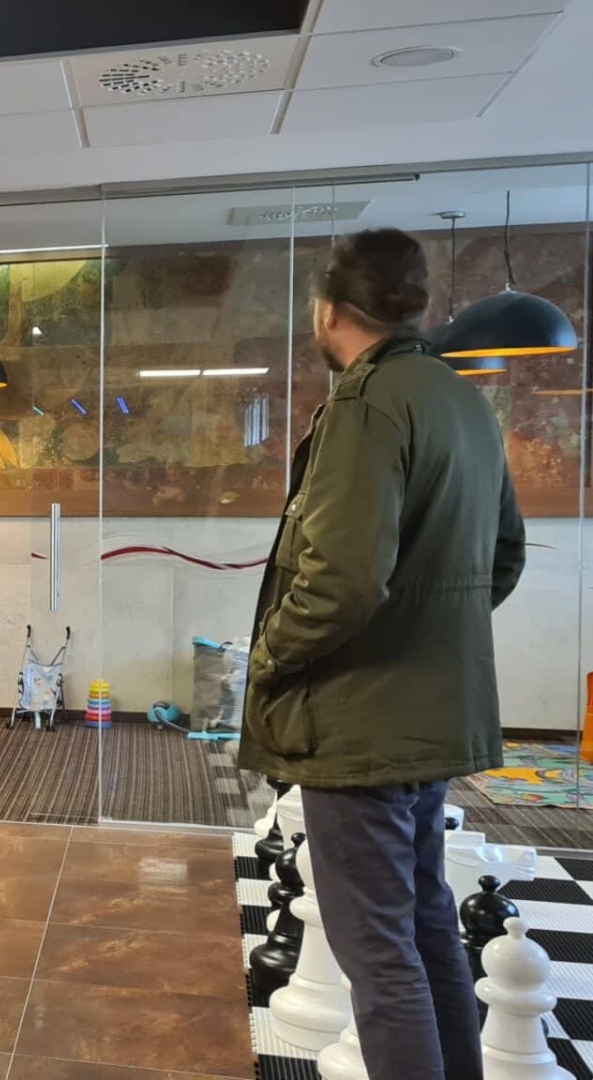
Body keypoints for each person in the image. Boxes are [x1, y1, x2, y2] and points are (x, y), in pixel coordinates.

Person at [241, 227, 526, 1080]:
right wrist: (427, 635)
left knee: (378, 954)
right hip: (430, 714)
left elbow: (342, 581)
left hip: (361, 720)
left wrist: (268, 656)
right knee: (427, 924)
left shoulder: (367, 404)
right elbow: (503, 558)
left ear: (329, 309)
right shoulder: (462, 400)